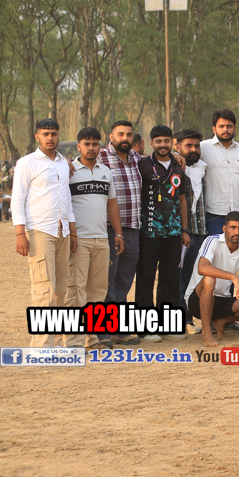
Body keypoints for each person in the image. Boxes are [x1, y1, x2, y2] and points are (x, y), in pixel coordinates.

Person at [12, 118, 76, 348]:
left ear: (59, 135)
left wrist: (73, 232)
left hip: (62, 231)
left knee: (60, 289)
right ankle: (41, 344)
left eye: (54, 133)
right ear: (37, 136)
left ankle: (56, 341)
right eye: (45, 134)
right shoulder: (26, 163)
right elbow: (18, 199)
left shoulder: (63, 163)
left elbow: (66, 199)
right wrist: (20, 233)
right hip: (40, 230)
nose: (50, 137)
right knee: (43, 287)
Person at [64, 127, 122, 349]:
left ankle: (92, 338)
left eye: (95, 144)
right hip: (78, 240)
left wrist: (118, 233)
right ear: (78, 146)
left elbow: (112, 203)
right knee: (76, 289)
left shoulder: (105, 171)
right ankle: (73, 341)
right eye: (86, 144)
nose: (91, 148)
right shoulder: (69, 170)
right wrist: (71, 234)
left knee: (98, 291)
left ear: (100, 146)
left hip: (101, 239)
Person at [136, 125, 191, 342]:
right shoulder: (142, 164)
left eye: (166, 141)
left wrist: (184, 230)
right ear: (151, 143)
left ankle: (168, 325)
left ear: (172, 143)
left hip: (173, 233)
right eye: (158, 141)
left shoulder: (179, 166)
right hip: (148, 232)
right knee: (146, 279)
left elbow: (182, 199)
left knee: (170, 279)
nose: (162, 145)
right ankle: (145, 328)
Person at [98, 120, 142, 345]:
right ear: (111, 136)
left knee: (125, 279)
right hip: (108, 228)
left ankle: (119, 329)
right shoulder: (100, 157)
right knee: (108, 279)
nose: (125, 138)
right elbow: (76, 163)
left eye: (129, 134)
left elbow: (160, 160)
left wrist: (176, 156)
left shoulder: (137, 159)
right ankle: (104, 331)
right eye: (120, 134)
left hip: (132, 227)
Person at [184, 212, 239, 347]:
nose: (237, 232)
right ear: (224, 229)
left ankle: (221, 321)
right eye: (232, 227)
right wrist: (233, 276)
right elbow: (202, 268)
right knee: (209, 279)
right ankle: (206, 332)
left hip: (222, 302)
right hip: (197, 300)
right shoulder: (213, 241)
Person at [175, 130, 208, 330]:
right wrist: (182, 230)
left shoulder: (203, 167)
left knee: (192, 279)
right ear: (177, 146)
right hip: (180, 234)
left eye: (196, 146)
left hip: (201, 232)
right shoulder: (173, 168)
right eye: (188, 146)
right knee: (178, 279)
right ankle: (179, 321)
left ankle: (189, 320)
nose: (193, 149)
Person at [200, 109, 239, 237]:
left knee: (235, 249)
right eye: (221, 126)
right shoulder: (203, 148)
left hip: (238, 214)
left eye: (229, 126)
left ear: (234, 128)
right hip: (213, 215)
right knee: (214, 248)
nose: (225, 130)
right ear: (214, 129)